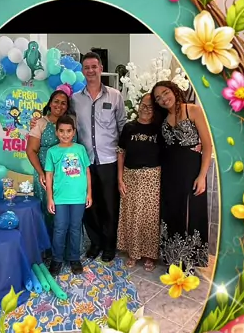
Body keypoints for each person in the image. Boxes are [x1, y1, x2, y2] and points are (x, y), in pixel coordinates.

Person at [71, 51, 126, 262]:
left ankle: (110, 244)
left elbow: (122, 126)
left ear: (101, 68)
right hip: (85, 161)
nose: (91, 71)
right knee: (90, 206)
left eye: (94, 66)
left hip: (109, 160)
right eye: (86, 67)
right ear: (82, 71)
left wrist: (124, 156)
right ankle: (96, 243)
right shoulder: (75, 99)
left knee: (110, 206)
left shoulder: (115, 96)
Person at [151, 80, 211, 273]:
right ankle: (173, 258)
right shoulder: (162, 118)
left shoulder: (193, 110)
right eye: (158, 98)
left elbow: (207, 145)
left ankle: (190, 261)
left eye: (165, 93)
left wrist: (202, 176)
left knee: (191, 213)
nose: (163, 99)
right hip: (169, 171)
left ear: (174, 91)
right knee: (172, 212)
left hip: (191, 170)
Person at [117, 93, 162, 271]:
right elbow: (121, 152)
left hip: (153, 177)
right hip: (130, 176)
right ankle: (133, 252)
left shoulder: (159, 128)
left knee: (150, 217)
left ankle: (150, 255)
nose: (146, 109)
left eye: (150, 106)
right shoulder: (129, 127)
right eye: (144, 105)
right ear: (138, 106)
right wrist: (120, 178)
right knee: (132, 216)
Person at [45, 115, 92, 276]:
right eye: (61, 131)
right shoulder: (52, 152)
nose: (65, 134)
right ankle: (57, 259)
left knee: (75, 228)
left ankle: (74, 258)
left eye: (68, 131)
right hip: (60, 198)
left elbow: (87, 171)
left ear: (74, 132)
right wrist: (50, 198)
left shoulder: (80, 149)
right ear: (56, 132)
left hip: (78, 197)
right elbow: (49, 175)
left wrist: (89, 194)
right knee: (59, 228)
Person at [26, 89, 75, 226]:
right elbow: (31, 150)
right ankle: (47, 239)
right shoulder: (40, 123)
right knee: (48, 210)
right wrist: (41, 173)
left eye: (63, 103)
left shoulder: (72, 122)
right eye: (56, 101)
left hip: (67, 174)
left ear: (67, 106)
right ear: (50, 104)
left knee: (67, 210)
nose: (59, 105)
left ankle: (65, 239)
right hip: (45, 172)